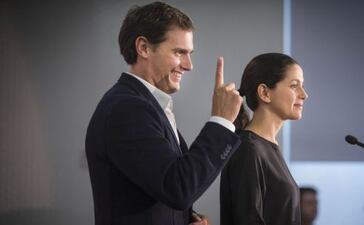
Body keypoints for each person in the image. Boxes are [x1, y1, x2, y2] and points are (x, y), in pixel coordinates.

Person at [85, 2, 243, 225]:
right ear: (144, 48)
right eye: (180, 52)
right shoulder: (127, 109)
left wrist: (188, 219)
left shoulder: (144, 105)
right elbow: (177, 188)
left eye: (189, 54)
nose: (189, 65)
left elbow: (163, 188)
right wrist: (221, 121)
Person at [220, 52, 309, 225]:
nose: (304, 94)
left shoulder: (263, 147)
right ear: (264, 93)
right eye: (294, 86)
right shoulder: (248, 149)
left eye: (302, 86)